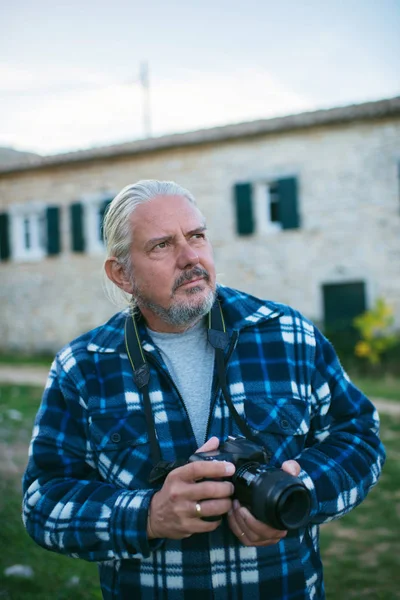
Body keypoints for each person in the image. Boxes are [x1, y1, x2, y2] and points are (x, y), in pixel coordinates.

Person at [22, 179, 385, 600]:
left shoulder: (288, 334)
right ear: (122, 274)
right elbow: (42, 501)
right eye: (162, 245)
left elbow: (360, 438)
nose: (191, 257)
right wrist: (148, 516)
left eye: (197, 236)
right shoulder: (82, 366)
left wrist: (303, 495)